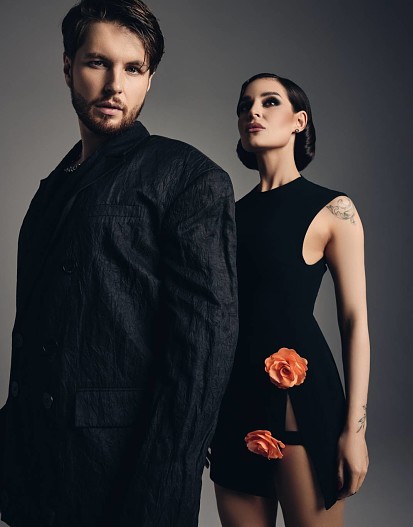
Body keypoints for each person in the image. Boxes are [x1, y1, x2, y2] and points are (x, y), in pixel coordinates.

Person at [0, 1, 238, 526]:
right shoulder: (52, 187)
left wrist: (162, 493)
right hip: (36, 473)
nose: (114, 85)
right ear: (68, 66)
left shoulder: (189, 177)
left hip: (125, 477)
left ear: (149, 80)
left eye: (133, 69)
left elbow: (203, 351)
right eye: (97, 63)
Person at [210, 73, 370, 527]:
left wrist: (355, 431)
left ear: (299, 121)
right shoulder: (225, 216)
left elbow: (354, 321)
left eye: (269, 102)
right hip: (232, 405)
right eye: (245, 105)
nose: (253, 112)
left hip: (302, 402)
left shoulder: (334, 209)